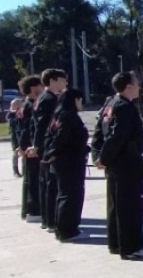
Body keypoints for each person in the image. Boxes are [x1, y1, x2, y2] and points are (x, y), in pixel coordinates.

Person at [95, 72, 143, 260]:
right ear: (128, 87)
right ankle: (131, 248)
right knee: (131, 208)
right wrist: (103, 157)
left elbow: (98, 133)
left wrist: (98, 156)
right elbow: (117, 136)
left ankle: (116, 244)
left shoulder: (110, 104)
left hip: (114, 164)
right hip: (126, 163)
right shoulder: (125, 107)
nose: (139, 87)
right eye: (137, 84)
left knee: (115, 207)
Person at [44, 89, 90, 242]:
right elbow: (62, 137)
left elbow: (52, 136)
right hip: (70, 161)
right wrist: (53, 152)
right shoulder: (69, 116)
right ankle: (68, 231)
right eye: (80, 100)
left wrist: (50, 152)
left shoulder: (58, 114)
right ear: (75, 100)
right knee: (72, 196)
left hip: (64, 161)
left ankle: (62, 228)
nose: (81, 103)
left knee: (63, 195)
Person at [27, 68, 68, 233]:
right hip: (47, 146)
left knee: (46, 184)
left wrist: (34, 143)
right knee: (51, 185)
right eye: (62, 80)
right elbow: (44, 125)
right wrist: (37, 145)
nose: (65, 83)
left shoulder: (41, 98)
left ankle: (47, 219)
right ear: (53, 80)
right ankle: (52, 220)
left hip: (43, 145)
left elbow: (33, 124)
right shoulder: (50, 99)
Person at [17, 76, 44, 222]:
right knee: (33, 179)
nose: (43, 88)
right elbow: (27, 129)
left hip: (26, 146)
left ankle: (26, 210)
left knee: (29, 179)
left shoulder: (24, 104)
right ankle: (33, 211)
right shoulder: (31, 105)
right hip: (30, 148)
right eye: (41, 85)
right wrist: (26, 146)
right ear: (34, 88)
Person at [7, 98, 23, 178]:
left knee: (24, 152)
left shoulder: (22, 112)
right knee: (15, 153)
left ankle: (24, 170)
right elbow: (11, 123)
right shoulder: (10, 114)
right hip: (15, 136)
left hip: (22, 135)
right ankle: (15, 171)